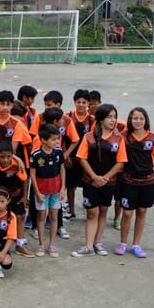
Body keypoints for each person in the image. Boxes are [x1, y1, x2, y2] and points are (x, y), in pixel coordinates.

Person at [71, 104, 127, 257]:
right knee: (92, 213)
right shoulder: (89, 137)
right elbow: (82, 158)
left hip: (109, 182)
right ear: (101, 119)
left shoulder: (118, 139)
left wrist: (105, 178)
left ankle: (97, 243)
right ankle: (88, 246)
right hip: (90, 181)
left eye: (114, 116)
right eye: (109, 116)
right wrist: (94, 177)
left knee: (103, 211)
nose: (113, 120)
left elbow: (121, 162)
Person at [115, 107, 154, 258]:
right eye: (135, 118)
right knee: (127, 213)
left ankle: (136, 245)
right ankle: (123, 243)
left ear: (146, 120)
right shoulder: (123, 136)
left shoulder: (153, 138)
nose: (138, 121)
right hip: (128, 181)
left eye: (141, 118)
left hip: (147, 182)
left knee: (141, 212)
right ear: (130, 120)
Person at [29, 124, 66, 258]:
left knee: (54, 217)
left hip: (55, 190)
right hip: (42, 191)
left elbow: (62, 169)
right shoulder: (36, 155)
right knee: (41, 216)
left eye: (57, 139)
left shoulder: (58, 152)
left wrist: (62, 188)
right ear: (44, 140)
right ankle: (41, 244)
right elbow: (32, 175)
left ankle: (51, 245)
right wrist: (37, 193)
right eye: (54, 139)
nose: (56, 142)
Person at [65, 89, 94, 221]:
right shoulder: (67, 117)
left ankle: (88, 208)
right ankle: (71, 210)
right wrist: (66, 155)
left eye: (84, 102)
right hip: (70, 157)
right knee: (70, 186)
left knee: (87, 185)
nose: (81, 105)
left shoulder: (92, 120)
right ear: (74, 102)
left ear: (89, 104)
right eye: (78, 102)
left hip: (85, 159)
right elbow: (62, 137)